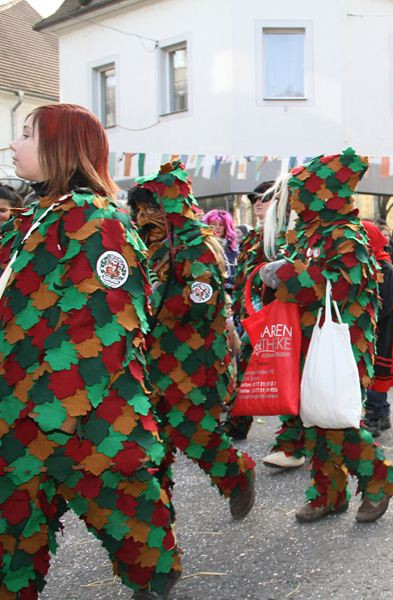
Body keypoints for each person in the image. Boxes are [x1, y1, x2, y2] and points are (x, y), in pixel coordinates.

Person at [1, 103, 181, 598]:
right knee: (12, 550)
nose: (12, 145)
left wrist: (53, 409)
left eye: (25, 135)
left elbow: (107, 327)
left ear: (60, 148)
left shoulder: (99, 223)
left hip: (90, 424)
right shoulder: (31, 222)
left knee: (140, 545)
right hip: (19, 419)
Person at [260, 149, 393, 523]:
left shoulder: (346, 233)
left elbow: (341, 285)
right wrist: (271, 276)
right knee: (313, 417)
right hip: (305, 337)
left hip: (342, 339)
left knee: (336, 418)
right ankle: (328, 493)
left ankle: (377, 481)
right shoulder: (305, 231)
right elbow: (294, 275)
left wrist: (287, 275)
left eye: (301, 190)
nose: (294, 199)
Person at [128, 160, 256, 521]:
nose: (143, 215)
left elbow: (202, 299)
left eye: (151, 206)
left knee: (195, 432)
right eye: (139, 208)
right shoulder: (145, 245)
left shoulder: (197, 244)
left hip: (194, 358)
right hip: (152, 357)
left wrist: (152, 304)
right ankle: (154, 513)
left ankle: (236, 475)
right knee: (151, 440)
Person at [223, 179, 278, 443]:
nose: (257, 203)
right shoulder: (254, 237)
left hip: (276, 315)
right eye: (254, 199)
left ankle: (295, 437)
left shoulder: (284, 235)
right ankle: (236, 423)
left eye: (264, 198)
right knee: (245, 367)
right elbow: (242, 277)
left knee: (288, 374)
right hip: (250, 316)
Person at [362, 220, 393, 438]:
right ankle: (382, 410)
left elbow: (386, 303)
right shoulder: (371, 264)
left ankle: (374, 415)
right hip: (373, 326)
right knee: (372, 369)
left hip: (383, 326)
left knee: (378, 369)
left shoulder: (385, 267)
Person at [203, 209, 239, 293]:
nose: (217, 227)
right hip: (216, 292)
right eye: (213, 224)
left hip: (233, 291)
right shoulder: (205, 248)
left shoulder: (232, 248)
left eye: (221, 224)